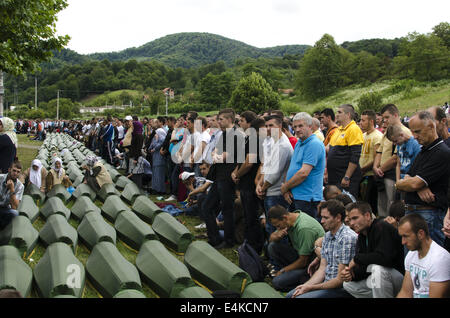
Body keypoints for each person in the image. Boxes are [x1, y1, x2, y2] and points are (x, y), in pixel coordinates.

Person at [396, 111, 450, 247]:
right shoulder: (424, 151)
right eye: (413, 132)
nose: (414, 136)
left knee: (431, 260)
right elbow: (404, 180)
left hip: (428, 214)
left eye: (418, 132)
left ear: (431, 126)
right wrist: (417, 185)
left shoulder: (441, 152)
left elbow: (413, 183)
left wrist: (416, 184)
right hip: (414, 211)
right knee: (413, 262)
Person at [286, 200, 357, 298]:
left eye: (326, 218)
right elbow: (322, 268)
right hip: (326, 284)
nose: (322, 221)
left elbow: (340, 280)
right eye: (322, 217)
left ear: (338, 218)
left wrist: (311, 288)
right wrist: (306, 286)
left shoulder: (347, 238)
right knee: (291, 295)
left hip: (340, 289)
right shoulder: (328, 235)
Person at [341, 202, 405, 298]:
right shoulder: (362, 235)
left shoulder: (382, 226)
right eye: (349, 220)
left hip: (400, 279)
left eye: (355, 218)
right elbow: (366, 267)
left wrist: (357, 258)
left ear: (367, 216)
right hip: (382, 281)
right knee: (348, 285)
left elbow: (384, 259)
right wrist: (352, 274)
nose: (352, 223)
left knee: (378, 270)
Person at [201, 108, 241, 249]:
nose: (218, 121)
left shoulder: (236, 135)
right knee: (207, 207)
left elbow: (225, 155)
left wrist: (217, 157)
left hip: (227, 177)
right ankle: (215, 238)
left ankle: (228, 240)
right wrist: (216, 156)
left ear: (230, 119)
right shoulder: (223, 134)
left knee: (227, 209)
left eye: (221, 119)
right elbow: (215, 153)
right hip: (218, 175)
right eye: (218, 119)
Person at [267, 205, 325, 292]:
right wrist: (276, 236)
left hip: (312, 264)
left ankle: (307, 283)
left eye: (278, 226)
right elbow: (271, 239)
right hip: (300, 255)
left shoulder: (304, 228)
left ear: (284, 217)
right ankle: (288, 275)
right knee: (272, 246)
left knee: (277, 282)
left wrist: (283, 271)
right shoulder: (290, 219)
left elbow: (303, 261)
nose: (278, 228)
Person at [281, 112, 326, 219]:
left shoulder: (314, 144)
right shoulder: (299, 143)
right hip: (295, 195)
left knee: (305, 232)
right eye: (295, 126)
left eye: (301, 126)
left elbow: (303, 173)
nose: (297, 129)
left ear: (310, 126)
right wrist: (287, 189)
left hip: (307, 198)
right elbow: (293, 167)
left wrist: (285, 187)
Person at [232, 110, 264, 254]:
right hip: (244, 181)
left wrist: (238, 174)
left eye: (242, 120)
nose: (239, 123)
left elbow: (249, 163)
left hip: (250, 183)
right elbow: (241, 159)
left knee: (252, 217)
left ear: (250, 123)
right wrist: (235, 171)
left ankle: (253, 248)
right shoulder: (248, 138)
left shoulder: (254, 139)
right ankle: (248, 244)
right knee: (247, 215)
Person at [397, 213, 450, 298]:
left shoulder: (439, 259)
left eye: (406, 236)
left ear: (421, 234)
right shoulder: (411, 255)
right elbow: (405, 293)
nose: (403, 242)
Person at [374, 104, 410, 217]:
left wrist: (381, 168)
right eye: (383, 118)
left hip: (392, 173)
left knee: (392, 204)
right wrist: (376, 167)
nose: (384, 120)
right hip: (381, 173)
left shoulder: (404, 132)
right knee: (382, 204)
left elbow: (396, 157)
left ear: (395, 115)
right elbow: (380, 151)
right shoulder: (387, 132)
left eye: (387, 117)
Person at [327, 104, 364, 198]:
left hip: (345, 178)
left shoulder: (354, 129)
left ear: (348, 115)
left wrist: (347, 177)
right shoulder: (338, 130)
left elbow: (355, 156)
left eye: (340, 112)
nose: (337, 114)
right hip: (334, 177)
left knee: (347, 204)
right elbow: (329, 150)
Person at [359, 110, 383, 214]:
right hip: (362, 174)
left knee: (370, 204)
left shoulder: (377, 136)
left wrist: (362, 169)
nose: (361, 122)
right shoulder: (363, 135)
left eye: (363, 120)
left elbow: (376, 158)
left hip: (370, 176)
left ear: (371, 121)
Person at [0, 161, 24, 230]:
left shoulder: (20, 186)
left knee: (14, 213)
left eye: (18, 172)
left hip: (5, 208)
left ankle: (2, 229)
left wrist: (12, 190)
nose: (15, 173)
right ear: (9, 169)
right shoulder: (0, 178)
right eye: (14, 170)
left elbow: (14, 207)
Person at [148, 118, 167, 195]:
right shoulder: (157, 131)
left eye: (156, 122)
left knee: (159, 173)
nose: (154, 124)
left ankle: (160, 189)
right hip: (155, 155)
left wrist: (154, 148)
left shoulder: (160, 131)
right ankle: (156, 188)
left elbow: (161, 142)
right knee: (156, 172)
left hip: (159, 155)